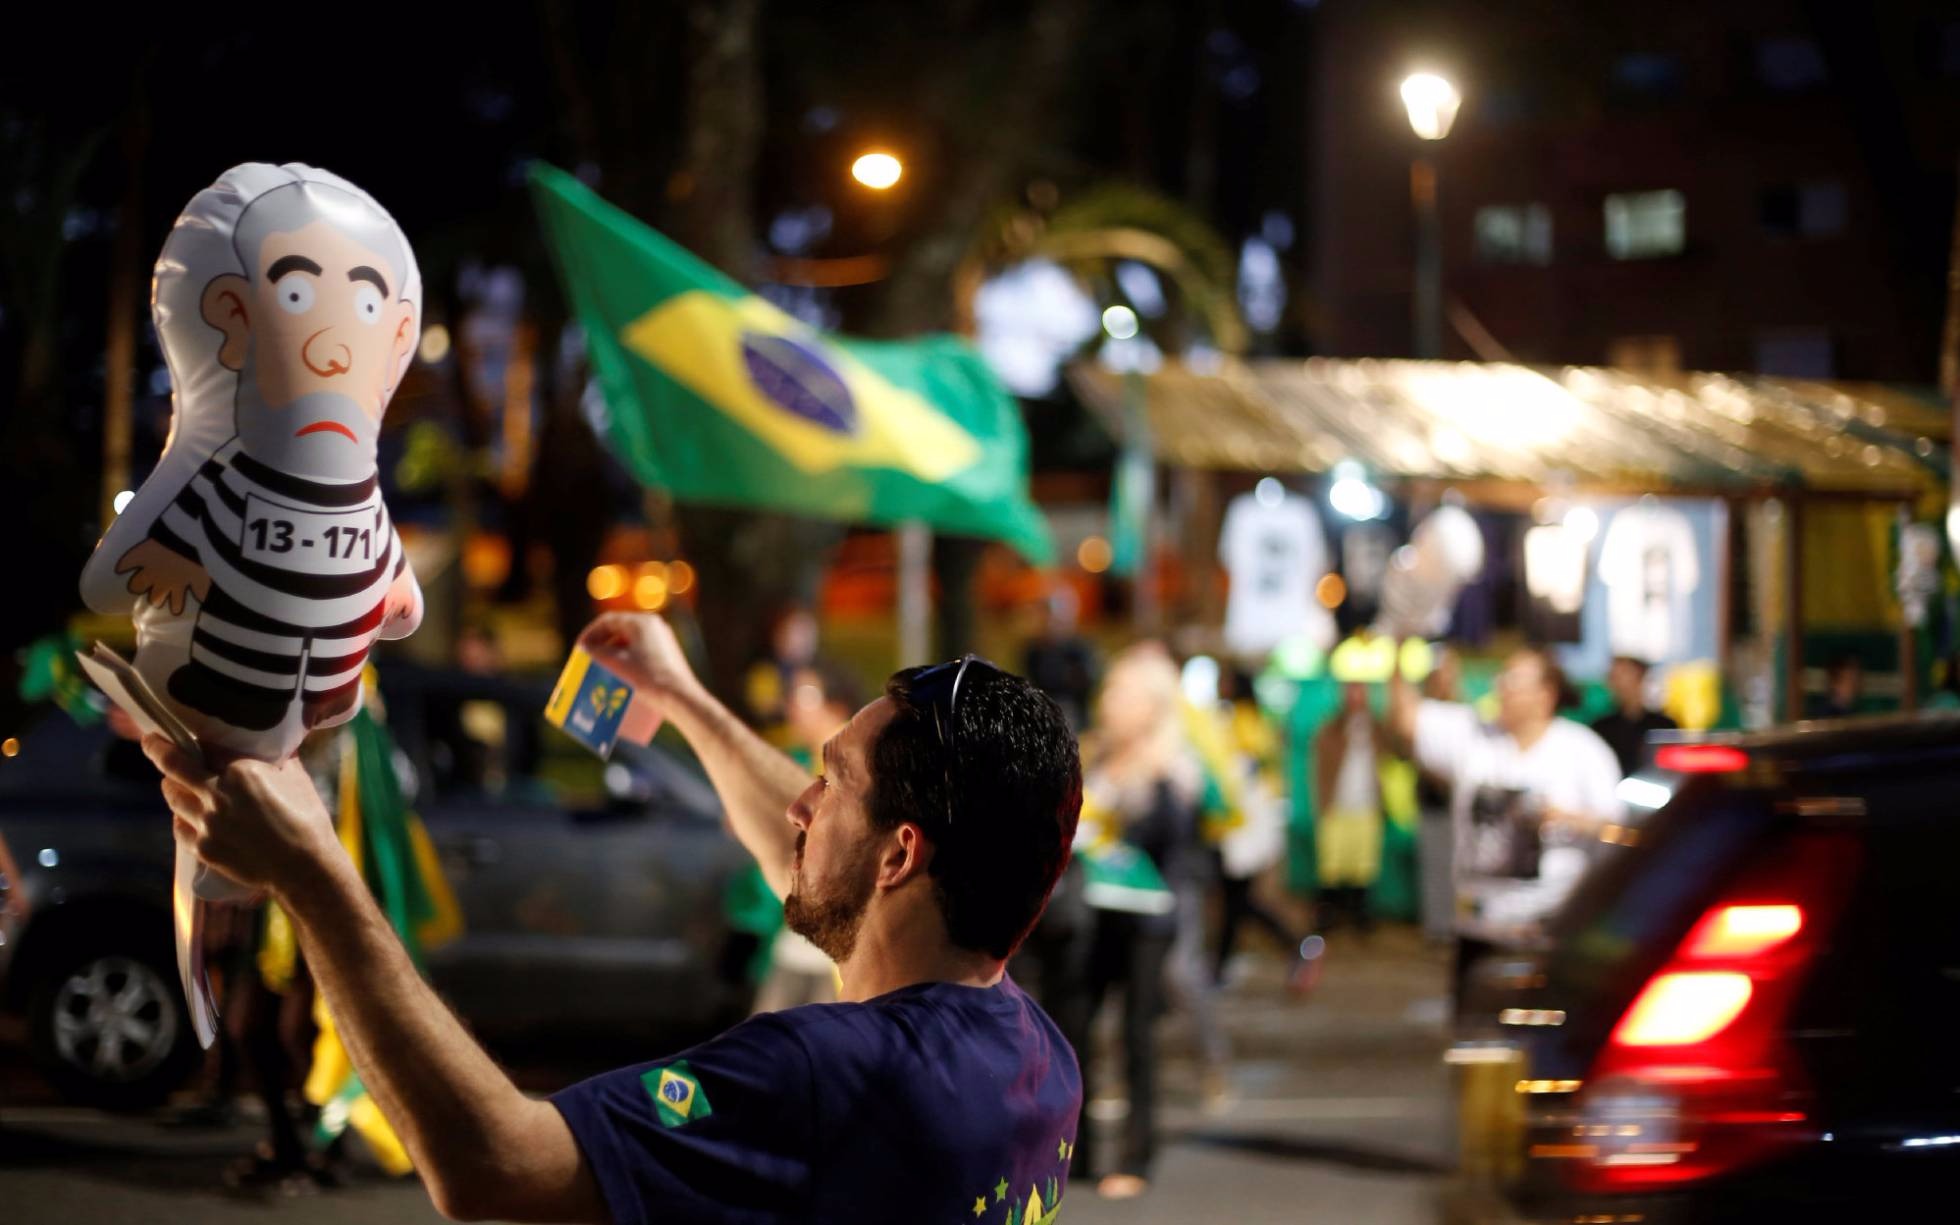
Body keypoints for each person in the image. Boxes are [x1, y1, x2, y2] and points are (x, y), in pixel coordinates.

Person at [146, 614, 1084, 1224]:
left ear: (900, 855)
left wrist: (312, 872)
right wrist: (685, 701)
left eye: (828, 780)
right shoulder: (1040, 1064)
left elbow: (495, 1166)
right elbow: (813, 858)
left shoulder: (823, 1070)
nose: (800, 804)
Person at [1074, 644, 1229, 1198]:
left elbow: (1179, 838)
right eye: (1110, 691)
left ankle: (1137, 1155)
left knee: (1137, 1031)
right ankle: (1080, 1151)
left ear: (1151, 705)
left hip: (1150, 916)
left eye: (1122, 693)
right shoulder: (1094, 755)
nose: (1109, 702)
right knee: (1078, 1026)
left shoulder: (1174, 766)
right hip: (1093, 912)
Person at [1389, 646, 1622, 1009]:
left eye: (1513, 681)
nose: (1500, 688)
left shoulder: (1581, 750)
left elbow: (1619, 830)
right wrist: (1397, 643)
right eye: (1502, 678)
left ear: (1545, 696)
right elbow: (1406, 718)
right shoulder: (1474, 737)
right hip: (1480, 929)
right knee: (1478, 1042)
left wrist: (1566, 818)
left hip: (1550, 929)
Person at [1313, 682, 1390, 934]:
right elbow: (1320, 766)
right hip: (1337, 806)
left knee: (1363, 865)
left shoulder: (1375, 728)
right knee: (1332, 864)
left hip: (1366, 806)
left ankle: (1360, 917)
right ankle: (1329, 915)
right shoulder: (1332, 729)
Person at [1021, 587, 1099, 733]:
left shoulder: (1079, 647)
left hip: (1075, 720)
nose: (1049, 622)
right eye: (1045, 616)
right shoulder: (1033, 650)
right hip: (1043, 720)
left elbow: (1088, 680)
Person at [1589, 655, 1678, 778]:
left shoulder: (1664, 727)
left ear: (1640, 677)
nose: (1619, 683)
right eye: (1614, 677)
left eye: (1624, 676)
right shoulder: (1601, 728)